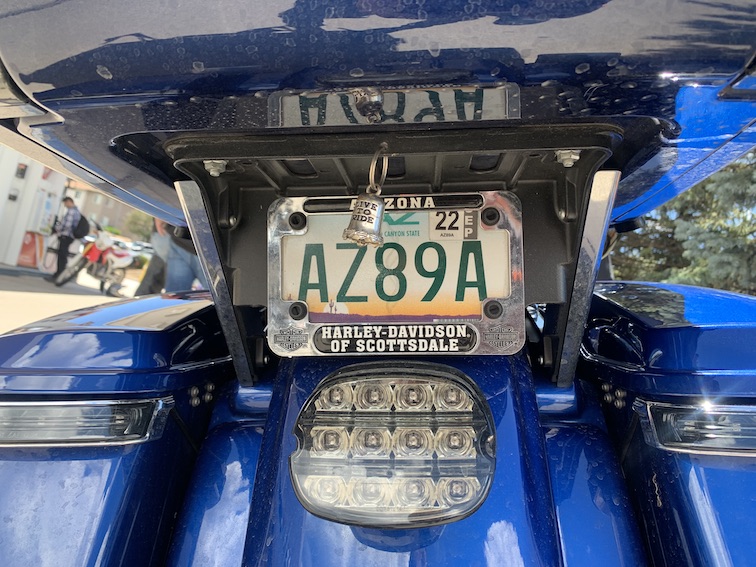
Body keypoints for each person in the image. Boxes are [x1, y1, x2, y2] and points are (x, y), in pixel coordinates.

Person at [45, 197, 81, 282]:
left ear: (69, 202)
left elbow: (67, 225)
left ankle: (58, 275)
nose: (65, 205)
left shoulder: (71, 211)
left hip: (66, 236)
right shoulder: (77, 211)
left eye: (65, 203)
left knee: (62, 256)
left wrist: (57, 229)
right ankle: (59, 275)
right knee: (63, 256)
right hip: (69, 237)